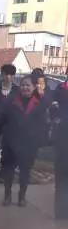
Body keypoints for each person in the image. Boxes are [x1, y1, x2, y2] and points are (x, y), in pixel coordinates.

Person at [0, 76, 46, 207]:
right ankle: (7, 196)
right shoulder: (11, 101)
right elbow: (1, 119)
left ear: (34, 87)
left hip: (28, 144)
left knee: (25, 172)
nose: (25, 88)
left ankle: (22, 197)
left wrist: (37, 140)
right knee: (8, 171)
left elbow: (42, 125)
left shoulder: (38, 103)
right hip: (10, 143)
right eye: (23, 85)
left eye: (28, 85)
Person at [52, 75, 68, 218]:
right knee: (62, 177)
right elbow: (52, 111)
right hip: (63, 139)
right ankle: (61, 212)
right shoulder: (59, 90)